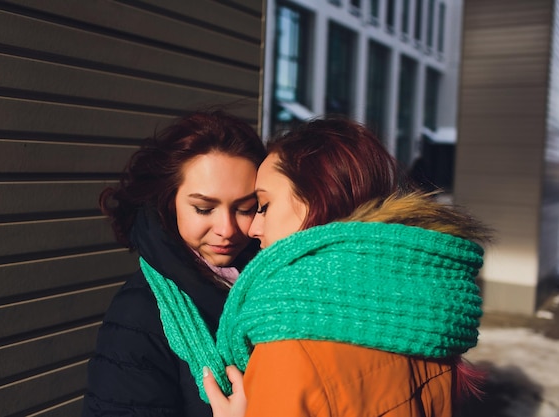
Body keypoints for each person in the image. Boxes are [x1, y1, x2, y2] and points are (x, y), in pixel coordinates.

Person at [203, 117, 492, 417]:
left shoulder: (288, 338)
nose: (252, 228)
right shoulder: (427, 305)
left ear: (317, 201)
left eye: (263, 206)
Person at [81, 109, 266, 417]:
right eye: (204, 209)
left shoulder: (266, 282)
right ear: (168, 204)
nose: (227, 229)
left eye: (245, 208)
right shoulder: (140, 314)